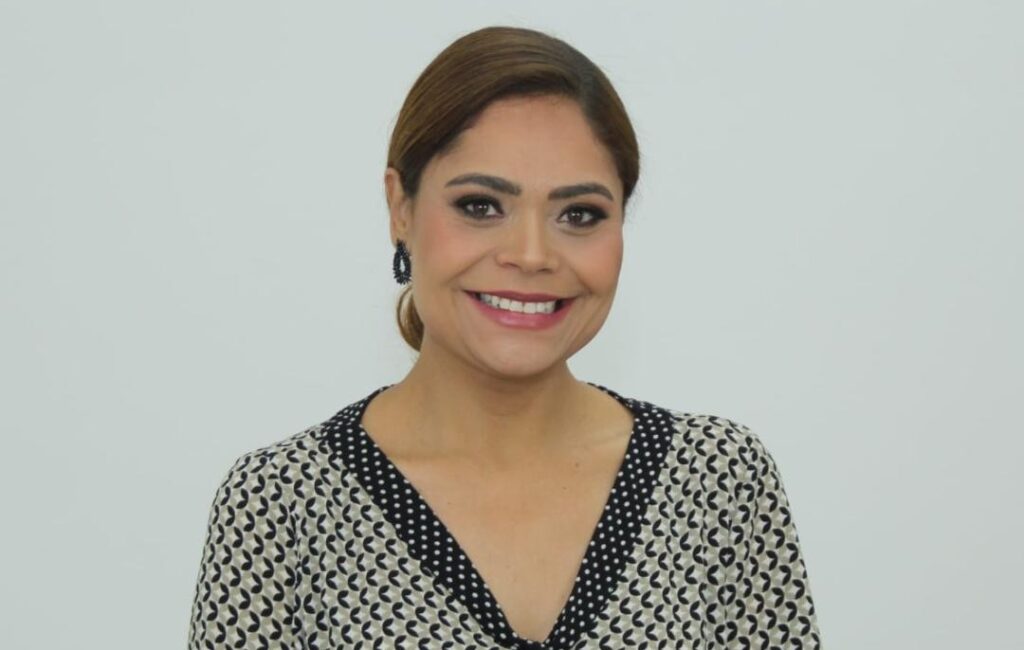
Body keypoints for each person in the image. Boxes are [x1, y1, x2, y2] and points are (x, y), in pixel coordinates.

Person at [187, 25, 823, 650]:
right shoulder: (279, 504)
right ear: (400, 208)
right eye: (480, 206)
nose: (531, 254)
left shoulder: (718, 480)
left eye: (579, 214)